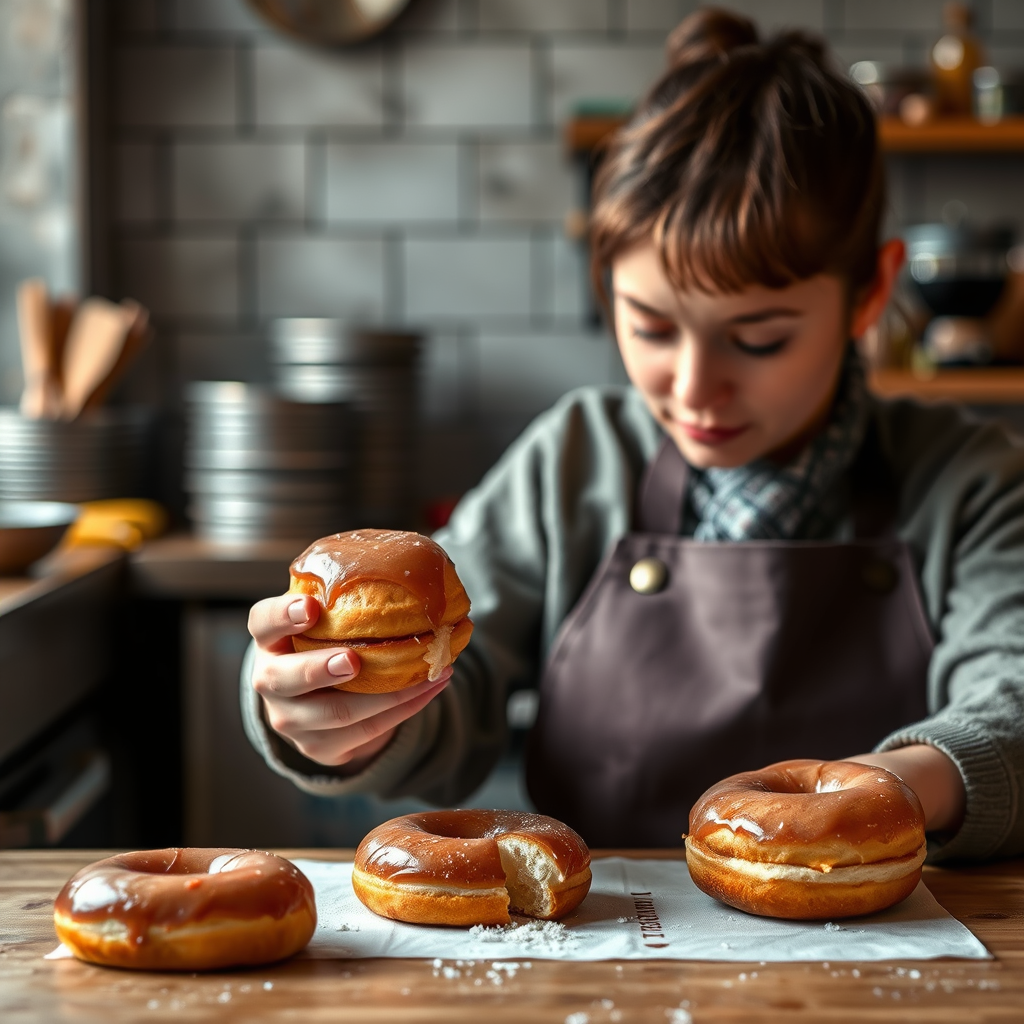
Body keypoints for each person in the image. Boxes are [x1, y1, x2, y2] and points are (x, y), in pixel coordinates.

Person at [242, 8, 1024, 860]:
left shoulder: (971, 481)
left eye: (760, 339)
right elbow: (452, 685)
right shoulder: (575, 458)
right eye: (651, 327)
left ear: (870, 293)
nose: (693, 389)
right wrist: (338, 712)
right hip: (609, 930)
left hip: (890, 932)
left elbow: (1011, 704)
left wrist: (877, 796)